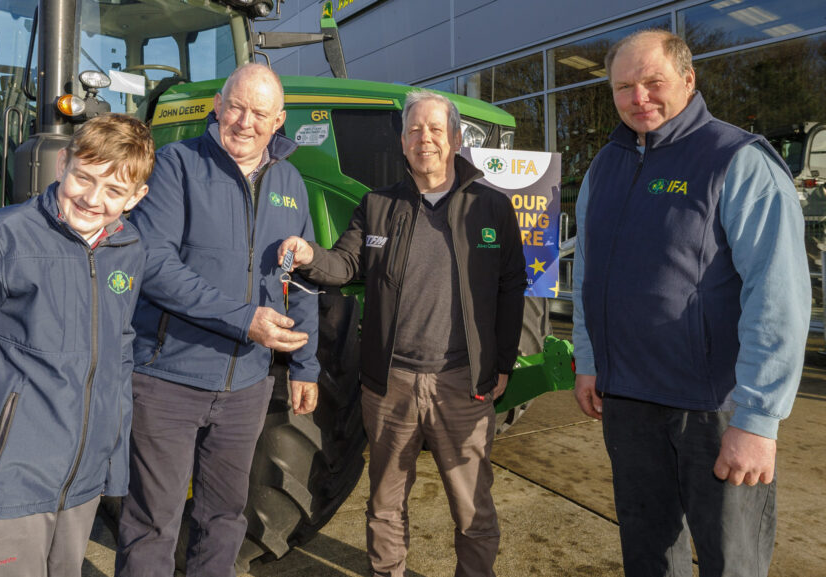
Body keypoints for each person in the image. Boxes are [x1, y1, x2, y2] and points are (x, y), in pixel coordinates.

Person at [572, 29, 810, 576]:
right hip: (628, 403)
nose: (639, 99)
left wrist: (757, 419)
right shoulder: (604, 167)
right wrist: (589, 361)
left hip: (714, 411)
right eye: (623, 87)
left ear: (688, 79)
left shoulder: (737, 160)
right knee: (649, 557)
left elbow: (779, 295)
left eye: (653, 82)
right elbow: (588, 275)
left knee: (732, 561)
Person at [279, 89, 526, 577]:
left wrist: (501, 364)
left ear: (455, 139)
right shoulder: (377, 206)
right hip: (388, 387)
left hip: (462, 384)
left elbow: (511, 285)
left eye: (436, 129)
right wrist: (309, 255)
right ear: (403, 142)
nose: (425, 139)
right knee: (385, 504)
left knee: (473, 509)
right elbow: (346, 262)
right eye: (414, 130)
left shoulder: (491, 207)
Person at [0, 113, 155, 576]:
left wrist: (111, 467)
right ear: (63, 163)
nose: (93, 199)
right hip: (9, 486)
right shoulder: (1, 239)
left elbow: (120, 357)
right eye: (84, 177)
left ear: (137, 196)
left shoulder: (130, 248)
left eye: (115, 191)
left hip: (81, 486)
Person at [115, 63, 320, 577]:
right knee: (152, 522)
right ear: (217, 106)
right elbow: (155, 267)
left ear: (279, 121)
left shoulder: (291, 183)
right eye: (236, 106)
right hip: (168, 381)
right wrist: (244, 319)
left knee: (225, 517)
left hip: (246, 386)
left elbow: (301, 278)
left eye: (260, 113)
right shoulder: (176, 166)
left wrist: (306, 365)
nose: (245, 121)